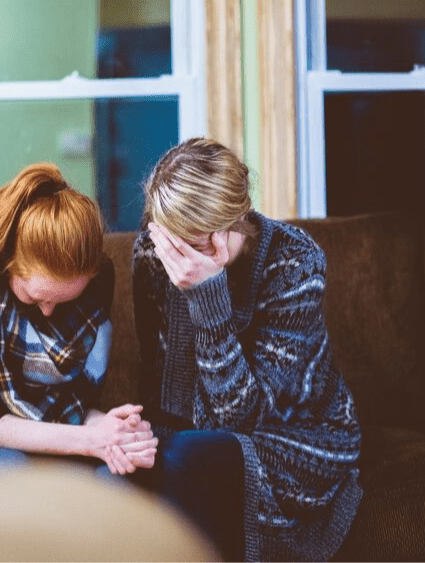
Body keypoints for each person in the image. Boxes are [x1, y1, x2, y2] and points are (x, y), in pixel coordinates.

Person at [131, 138, 363, 561]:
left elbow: (239, 420)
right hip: (195, 434)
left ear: (235, 221)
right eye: (172, 240)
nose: (179, 260)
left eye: (194, 245)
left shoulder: (294, 261)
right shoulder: (154, 252)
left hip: (298, 436)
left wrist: (209, 296)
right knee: (134, 465)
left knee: (189, 458)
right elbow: (160, 381)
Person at [0, 163, 157, 490]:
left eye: (63, 301)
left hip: (47, 438)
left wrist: (111, 430)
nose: (49, 313)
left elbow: (76, 401)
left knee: (121, 480)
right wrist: (89, 441)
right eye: (36, 298)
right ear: (8, 263)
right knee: (12, 474)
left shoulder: (97, 280)